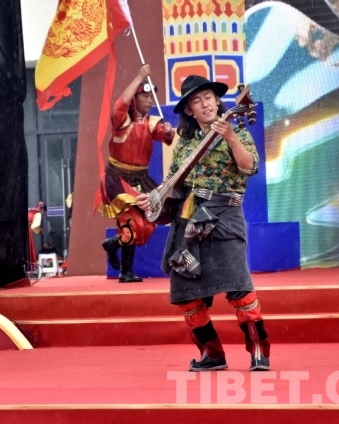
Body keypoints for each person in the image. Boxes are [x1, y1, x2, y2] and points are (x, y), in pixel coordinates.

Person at [137, 75, 270, 372]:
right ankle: (212, 354)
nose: (205, 104)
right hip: (189, 220)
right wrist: (153, 199)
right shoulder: (184, 144)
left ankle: (259, 351)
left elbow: (250, 167)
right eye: (197, 101)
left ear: (217, 100)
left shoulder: (236, 130)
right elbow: (172, 184)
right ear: (189, 110)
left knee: (240, 289)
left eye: (208, 97)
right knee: (187, 296)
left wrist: (231, 138)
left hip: (224, 217)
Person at [98, 64, 175, 282]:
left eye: (152, 97)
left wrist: (169, 133)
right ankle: (126, 271)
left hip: (141, 178)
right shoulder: (121, 120)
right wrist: (139, 76)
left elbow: (164, 137)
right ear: (135, 98)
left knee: (148, 223)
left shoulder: (151, 122)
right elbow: (120, 104)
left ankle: (113, 244)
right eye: (145, 97)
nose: (150, 101)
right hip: (118, 178)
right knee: (133, 223)